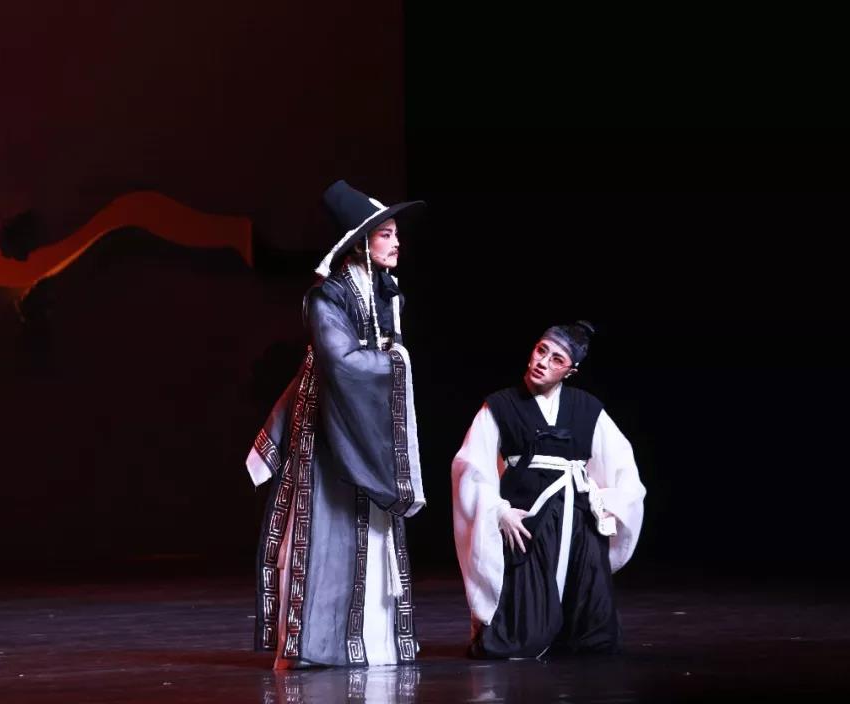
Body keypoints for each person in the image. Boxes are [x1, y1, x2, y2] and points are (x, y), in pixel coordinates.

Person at [244, 180, 427, 668]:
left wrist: (389, 359)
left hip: (364, 422)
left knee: (369, 525)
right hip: (328, 424)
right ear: (361, 243)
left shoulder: (386, 294)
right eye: (386, 234)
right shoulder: (327, 297)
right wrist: (395, 362)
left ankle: (370, 640)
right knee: (329, 528)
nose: (397, 242)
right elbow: (341, 362)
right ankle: (315, 643)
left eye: (395, 233)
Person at [451, 321, 646, 658]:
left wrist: (605, 503)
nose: (543, 361)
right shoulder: (501, 405)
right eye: (542, 350)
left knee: (596, 640)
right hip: (528, 521)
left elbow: (622, 467)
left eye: (557, 359)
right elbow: (471, 467)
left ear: (570, 371)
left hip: (579, 523)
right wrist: (499, 511)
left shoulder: (586, 408)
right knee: (522, 638)